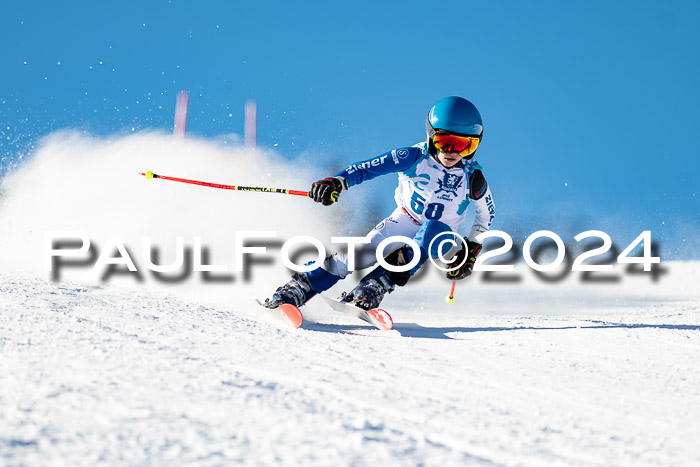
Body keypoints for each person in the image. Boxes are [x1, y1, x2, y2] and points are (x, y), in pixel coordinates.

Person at [264, 96, 495, 311]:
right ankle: (300, 287)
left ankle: (375, 285)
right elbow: (368, 168)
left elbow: (486, 215)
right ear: (430, 135)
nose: (453, 152)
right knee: (359, 254)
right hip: (404, 220)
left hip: (440, 236)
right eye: (445, 142)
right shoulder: (414, 157)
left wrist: (473, 246)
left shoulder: (472, 176)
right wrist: (336, 182)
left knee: (432, 230)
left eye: (465, 145)